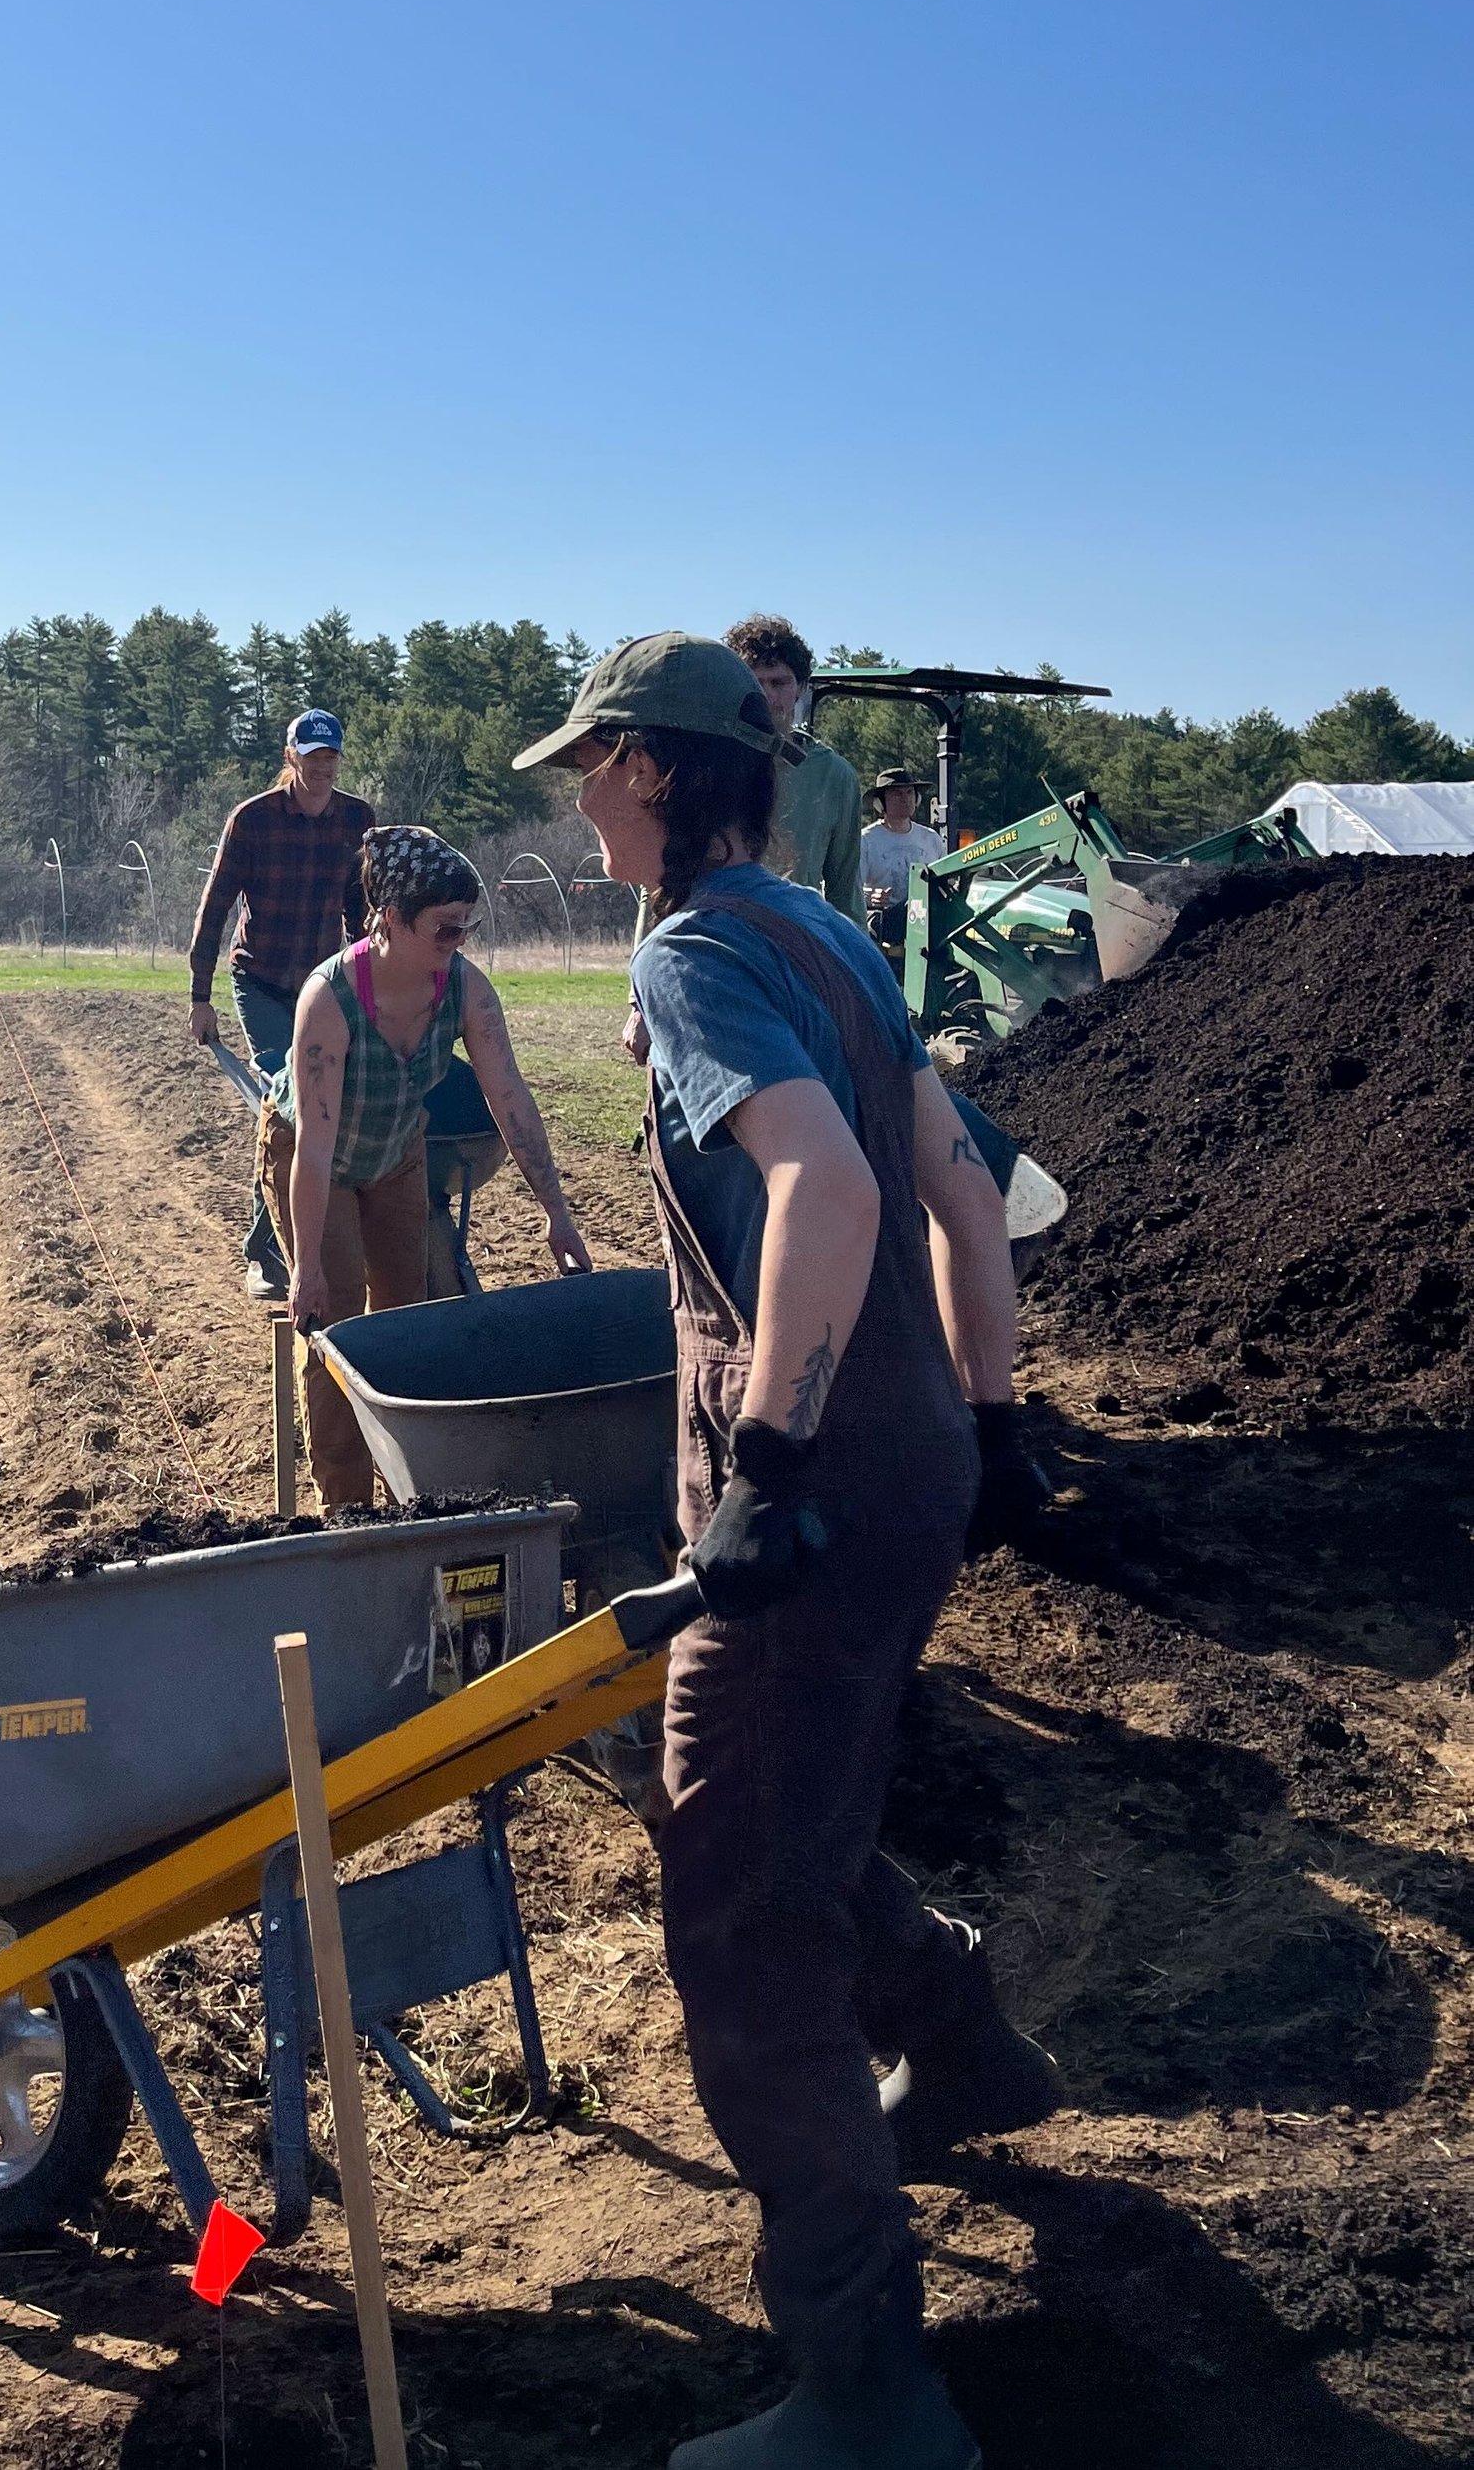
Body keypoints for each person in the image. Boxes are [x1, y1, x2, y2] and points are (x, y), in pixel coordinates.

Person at [514, 635, 1058, 2470]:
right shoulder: (828, 929)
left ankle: (869, 2393)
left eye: (587, 765)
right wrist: (991, 1422)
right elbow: (963, 1190)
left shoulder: (694, 950)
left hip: (810, 1486)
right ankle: (962, 2041)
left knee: (742, 1916)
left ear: (652, 771)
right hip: (904, 1472)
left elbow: (829, 1185)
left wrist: (762, 1456)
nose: (577, 796)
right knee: (764, 1798)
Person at [263, 825, 591, 1505]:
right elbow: (318, 1148)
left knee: (406, 1315)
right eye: (445, 929)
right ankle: (347, 1504)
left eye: (466, 926)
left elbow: (512, 1100)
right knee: (339, 1328)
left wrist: (557, 1214)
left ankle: (409, 1484)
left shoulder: (466, 990)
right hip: (313, 1159)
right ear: (390, 920)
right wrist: (306, 1267)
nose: (458, 941)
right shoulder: (329, 1000)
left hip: (397, 1152)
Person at [187, 710, 376, 1300]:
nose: (322, 766)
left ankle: (322, 1237)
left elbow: (360, 909)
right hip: (262, 981)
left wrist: (366, 980)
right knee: (288, 1104)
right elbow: (215, 906)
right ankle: (266, 1253)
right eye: (312, 754)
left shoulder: (356, 820)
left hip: (323, 983)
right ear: (291, 756)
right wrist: (200, 996)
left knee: (321, 1105)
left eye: (331, 756)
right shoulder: (254, 820)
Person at [725, 615, 862, 920]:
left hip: (792, 943)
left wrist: (856, 962)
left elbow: (845, 894)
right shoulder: (705, 761)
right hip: (715, 941)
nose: (767, 695)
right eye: (755, 682)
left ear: (800, 687)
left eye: (779, 682)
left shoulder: (833, 776)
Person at [859, 770, 948, 961]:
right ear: (880, 803)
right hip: (886, 925)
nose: (905, 799)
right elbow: (849, 889)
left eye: (909, 793)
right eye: (897, 794)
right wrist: (870, 896)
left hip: (930, 923)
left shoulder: (931, 839)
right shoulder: (866, 841)